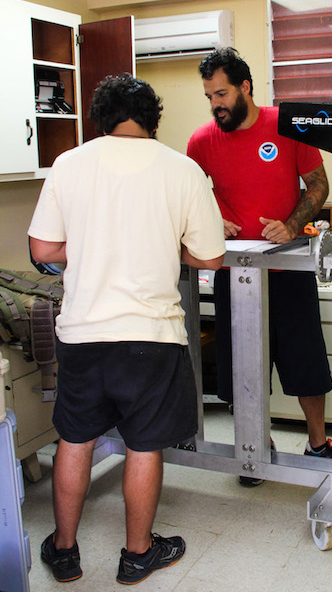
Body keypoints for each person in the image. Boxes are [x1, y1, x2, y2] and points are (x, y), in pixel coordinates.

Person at [28, 73, 225, 585]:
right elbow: (209, 256)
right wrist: (163, 244)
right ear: (153, 119)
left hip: (83, 332)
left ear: (102, 118)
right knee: (143, 445)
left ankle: (65, 551)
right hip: (150, 335)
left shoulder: (68, 164)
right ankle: (138, 554)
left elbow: (44, 251)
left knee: (74, 440)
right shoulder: (182, 170)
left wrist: (92, 244)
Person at [187, 47, 332, 486]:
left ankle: (318, 442)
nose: (216, 104)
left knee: (305, 360)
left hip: (287, 269)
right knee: (240, 368)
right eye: (209, 97)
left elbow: (318, 184)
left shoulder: (287, 125)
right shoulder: (201, 142)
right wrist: (212, 216)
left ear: (245, 87)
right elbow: (193, 194)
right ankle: (256, 444)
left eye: (221, 94)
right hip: (234, 273)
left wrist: (292, 223)